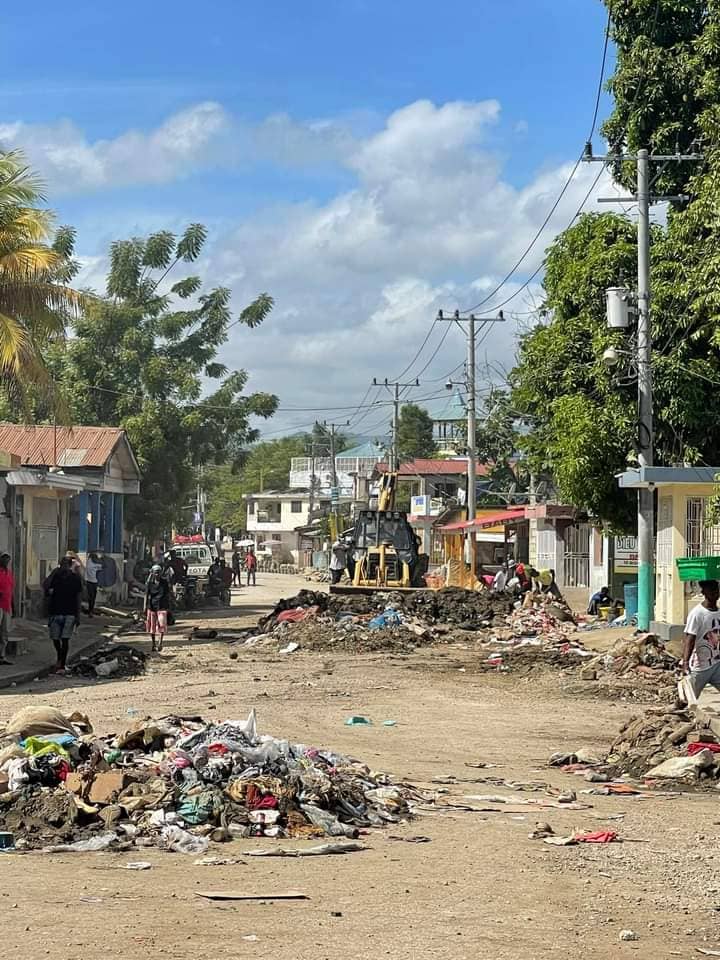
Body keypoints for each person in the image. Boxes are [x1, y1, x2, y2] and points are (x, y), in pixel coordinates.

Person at [44, 557, 82, 673]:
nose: (63, 567)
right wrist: (52, 573)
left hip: (70, 613)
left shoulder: (75, 578)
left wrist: (78, 615)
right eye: (62, 564)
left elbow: (79, 597)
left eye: (66, 564)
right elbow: (45, 586)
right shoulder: (56, 576)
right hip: (56, 611)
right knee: (55, 638)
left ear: (69, 565)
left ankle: (62, 664)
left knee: (65, 639)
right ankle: (60, 657)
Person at [682, 580, 720, 699]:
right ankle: (676, 711)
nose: (715, 593)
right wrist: (685, 663)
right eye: (711, 590)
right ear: (704, 592)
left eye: (716, 589)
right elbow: (690, 639)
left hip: (716, 663)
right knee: (688, 697)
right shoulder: (697, 614)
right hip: (699, 665)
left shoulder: (719, 612)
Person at [144, 564, 171, 652]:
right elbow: (146, 595)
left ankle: (160, 643)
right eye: (155, 573)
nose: (157, 574)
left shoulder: (164, 582)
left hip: (162, 607)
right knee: (152, 627)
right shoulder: (149, 583)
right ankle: (153, 644)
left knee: (161, 625)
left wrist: (169, 606)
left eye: (158, 573)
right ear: (152, 573)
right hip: (152, 606)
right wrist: (144, 607)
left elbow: (167, 595)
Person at [0, 553, 14, 665]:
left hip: (7, 606)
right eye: (4, 559)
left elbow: (11, 589)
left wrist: (12, 605)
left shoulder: (9, 573)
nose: (6, 562)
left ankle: (2, 656)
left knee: (4, 632)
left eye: (7, 560)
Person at [85, 551, 102, 617]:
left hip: (89, 581)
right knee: (93, 597)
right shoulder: (94, 565)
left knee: (91, 597)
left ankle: (90, 610)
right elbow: (103, 566)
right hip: (93, 582)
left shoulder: (89, 562)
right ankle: (91, 611)